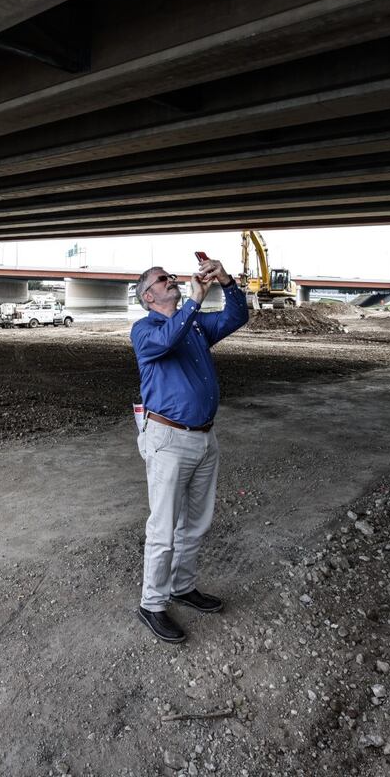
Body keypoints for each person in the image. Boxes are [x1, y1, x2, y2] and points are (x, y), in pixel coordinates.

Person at [130, 258, 249, 643]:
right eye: (162, 279)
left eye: (169, 276)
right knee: (163, 526)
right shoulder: (145, 330)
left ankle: (182, 586)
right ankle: (152, 603)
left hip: (203, 437)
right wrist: (195, 302)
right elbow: (169, 340)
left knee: (195, 523)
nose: (171, 280)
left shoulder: (193, 323)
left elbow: (237, 316)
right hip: (168, 440)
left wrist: (226, 280)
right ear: (149, 296)